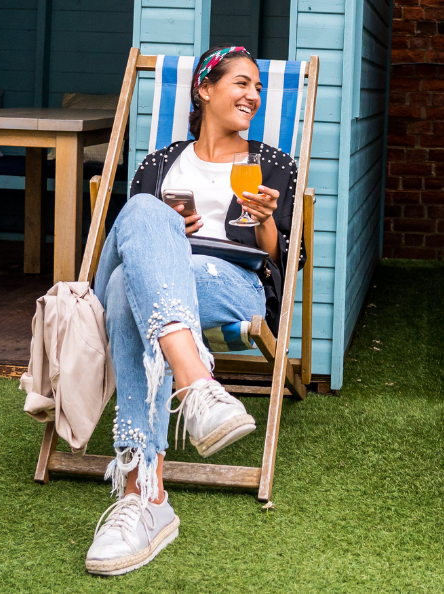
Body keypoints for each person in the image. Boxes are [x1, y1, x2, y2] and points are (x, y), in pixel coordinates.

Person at [82, 46, 299, 576]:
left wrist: (266, 220)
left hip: (233, 283)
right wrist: (166, 239)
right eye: (240, 84)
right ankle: (195, 386)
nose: (252, 95)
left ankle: (142, 494)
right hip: (164, 280)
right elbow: (134, 241)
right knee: (141, 215)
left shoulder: (271, 164)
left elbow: (283, 260)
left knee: (124, 295)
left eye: (257, 88)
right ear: (204, 89)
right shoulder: (159, 164)